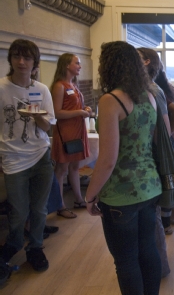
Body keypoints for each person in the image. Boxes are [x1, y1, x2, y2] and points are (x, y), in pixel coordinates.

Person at [85, 41, 162, 294]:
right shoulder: (149, 96)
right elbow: (147, 144)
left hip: (121, 194)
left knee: (126, 261)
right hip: (150, 187)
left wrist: (89, 195)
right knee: (148, 251)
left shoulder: (111, 100)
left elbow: (108, 159)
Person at [0, 39, 56, 272]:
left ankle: (35, 247)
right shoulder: (2, 88)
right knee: (19, 210)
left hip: (41, 155)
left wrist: (35, 115)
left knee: (39, 209)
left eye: (27, 58)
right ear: (11, 59)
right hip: (13, 158)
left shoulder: (40, 89)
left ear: (34, 62)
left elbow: (48, 127)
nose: (22, 62)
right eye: (17, 57)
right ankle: (13, 244)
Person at [137, 47, 172, 277]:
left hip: (151, 161)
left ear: (147, 62)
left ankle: (159, 268)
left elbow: (165, 130)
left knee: (154, 218)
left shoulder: (153, 90)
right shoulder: (142, 89)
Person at [50, 53, 91, 219]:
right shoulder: (59, 86)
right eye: (77, 63)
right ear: (67, 65)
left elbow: (74, 107)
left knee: (75, 167)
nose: (80, 66)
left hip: (77, 130)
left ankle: (79, 199)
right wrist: (80, 112)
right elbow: (57, 112)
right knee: (61, 169)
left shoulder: (73, 85)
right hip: (65, 132)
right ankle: (60, 205)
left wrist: (85, 109)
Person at [154, 62, 174, 230]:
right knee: (170, 176)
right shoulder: (167, 86)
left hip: (162, 140)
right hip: (168, 140)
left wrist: (170, 130)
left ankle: (166, 218)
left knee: (165, 177)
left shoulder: (157, 89)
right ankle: (172, 215)